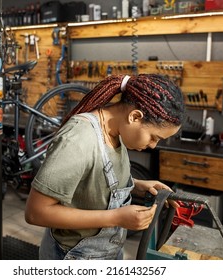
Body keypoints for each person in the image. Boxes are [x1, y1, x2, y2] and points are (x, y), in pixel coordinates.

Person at [25, 73, 185, 260]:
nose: (153, 145)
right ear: (135, 117)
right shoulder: (78, 139)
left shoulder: (115, 131)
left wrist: (139, 186)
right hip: (74, 256)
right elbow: (36, 213)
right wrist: (116, 218)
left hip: (107, 252)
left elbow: (92, 177)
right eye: (154, 137)